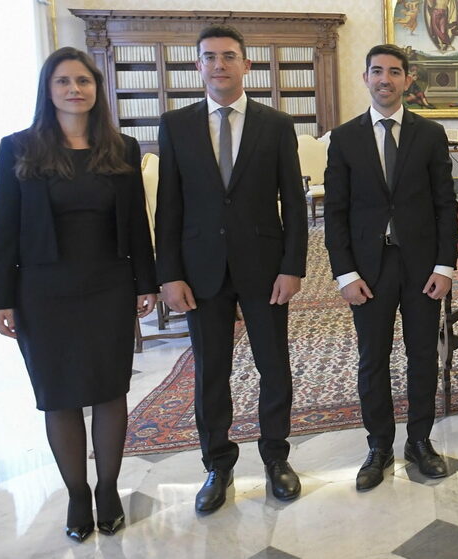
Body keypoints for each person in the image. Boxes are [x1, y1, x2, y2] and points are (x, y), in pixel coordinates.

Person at [0, 47, 157, 542]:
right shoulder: (18, 147)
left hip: (108, 284)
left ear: (96, 89)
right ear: (48, 89)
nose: (74, 89)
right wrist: (2, 297)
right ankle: (77, 493)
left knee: (110, 391)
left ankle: (107, 489)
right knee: (58, 396)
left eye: (83, 81)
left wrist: (145, 283)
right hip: (43, 291)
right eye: (63, 81)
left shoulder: (122, 149)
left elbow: (136, 224)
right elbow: (5, 229)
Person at [156, 24, 308, 512]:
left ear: (247, 64)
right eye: (209, 57)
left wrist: (293, 266)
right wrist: (169, 274)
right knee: (211, 372)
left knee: (273, 366)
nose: (219, 64)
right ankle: (217, 466)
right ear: (198, 65)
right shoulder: (175, 125)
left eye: (228, 56)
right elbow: (169, 207)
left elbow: (295, 203)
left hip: (265, 268)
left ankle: (276, 458)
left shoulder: (277, 125)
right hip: (200, 272)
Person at [324, 44, 458, 489]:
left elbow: (445, 204)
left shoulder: (430, 134)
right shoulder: (344, 138)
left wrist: (445, 265)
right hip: (368, 269)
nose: (385, 79)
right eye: (377, 71)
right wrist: (345, 274)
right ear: (365, 78)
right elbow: (337, 213)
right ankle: (378, 444)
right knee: (372, 359)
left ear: (407, 79)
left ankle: (419, 441)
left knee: (423, 355)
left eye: (394, 72)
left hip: (422, 268)